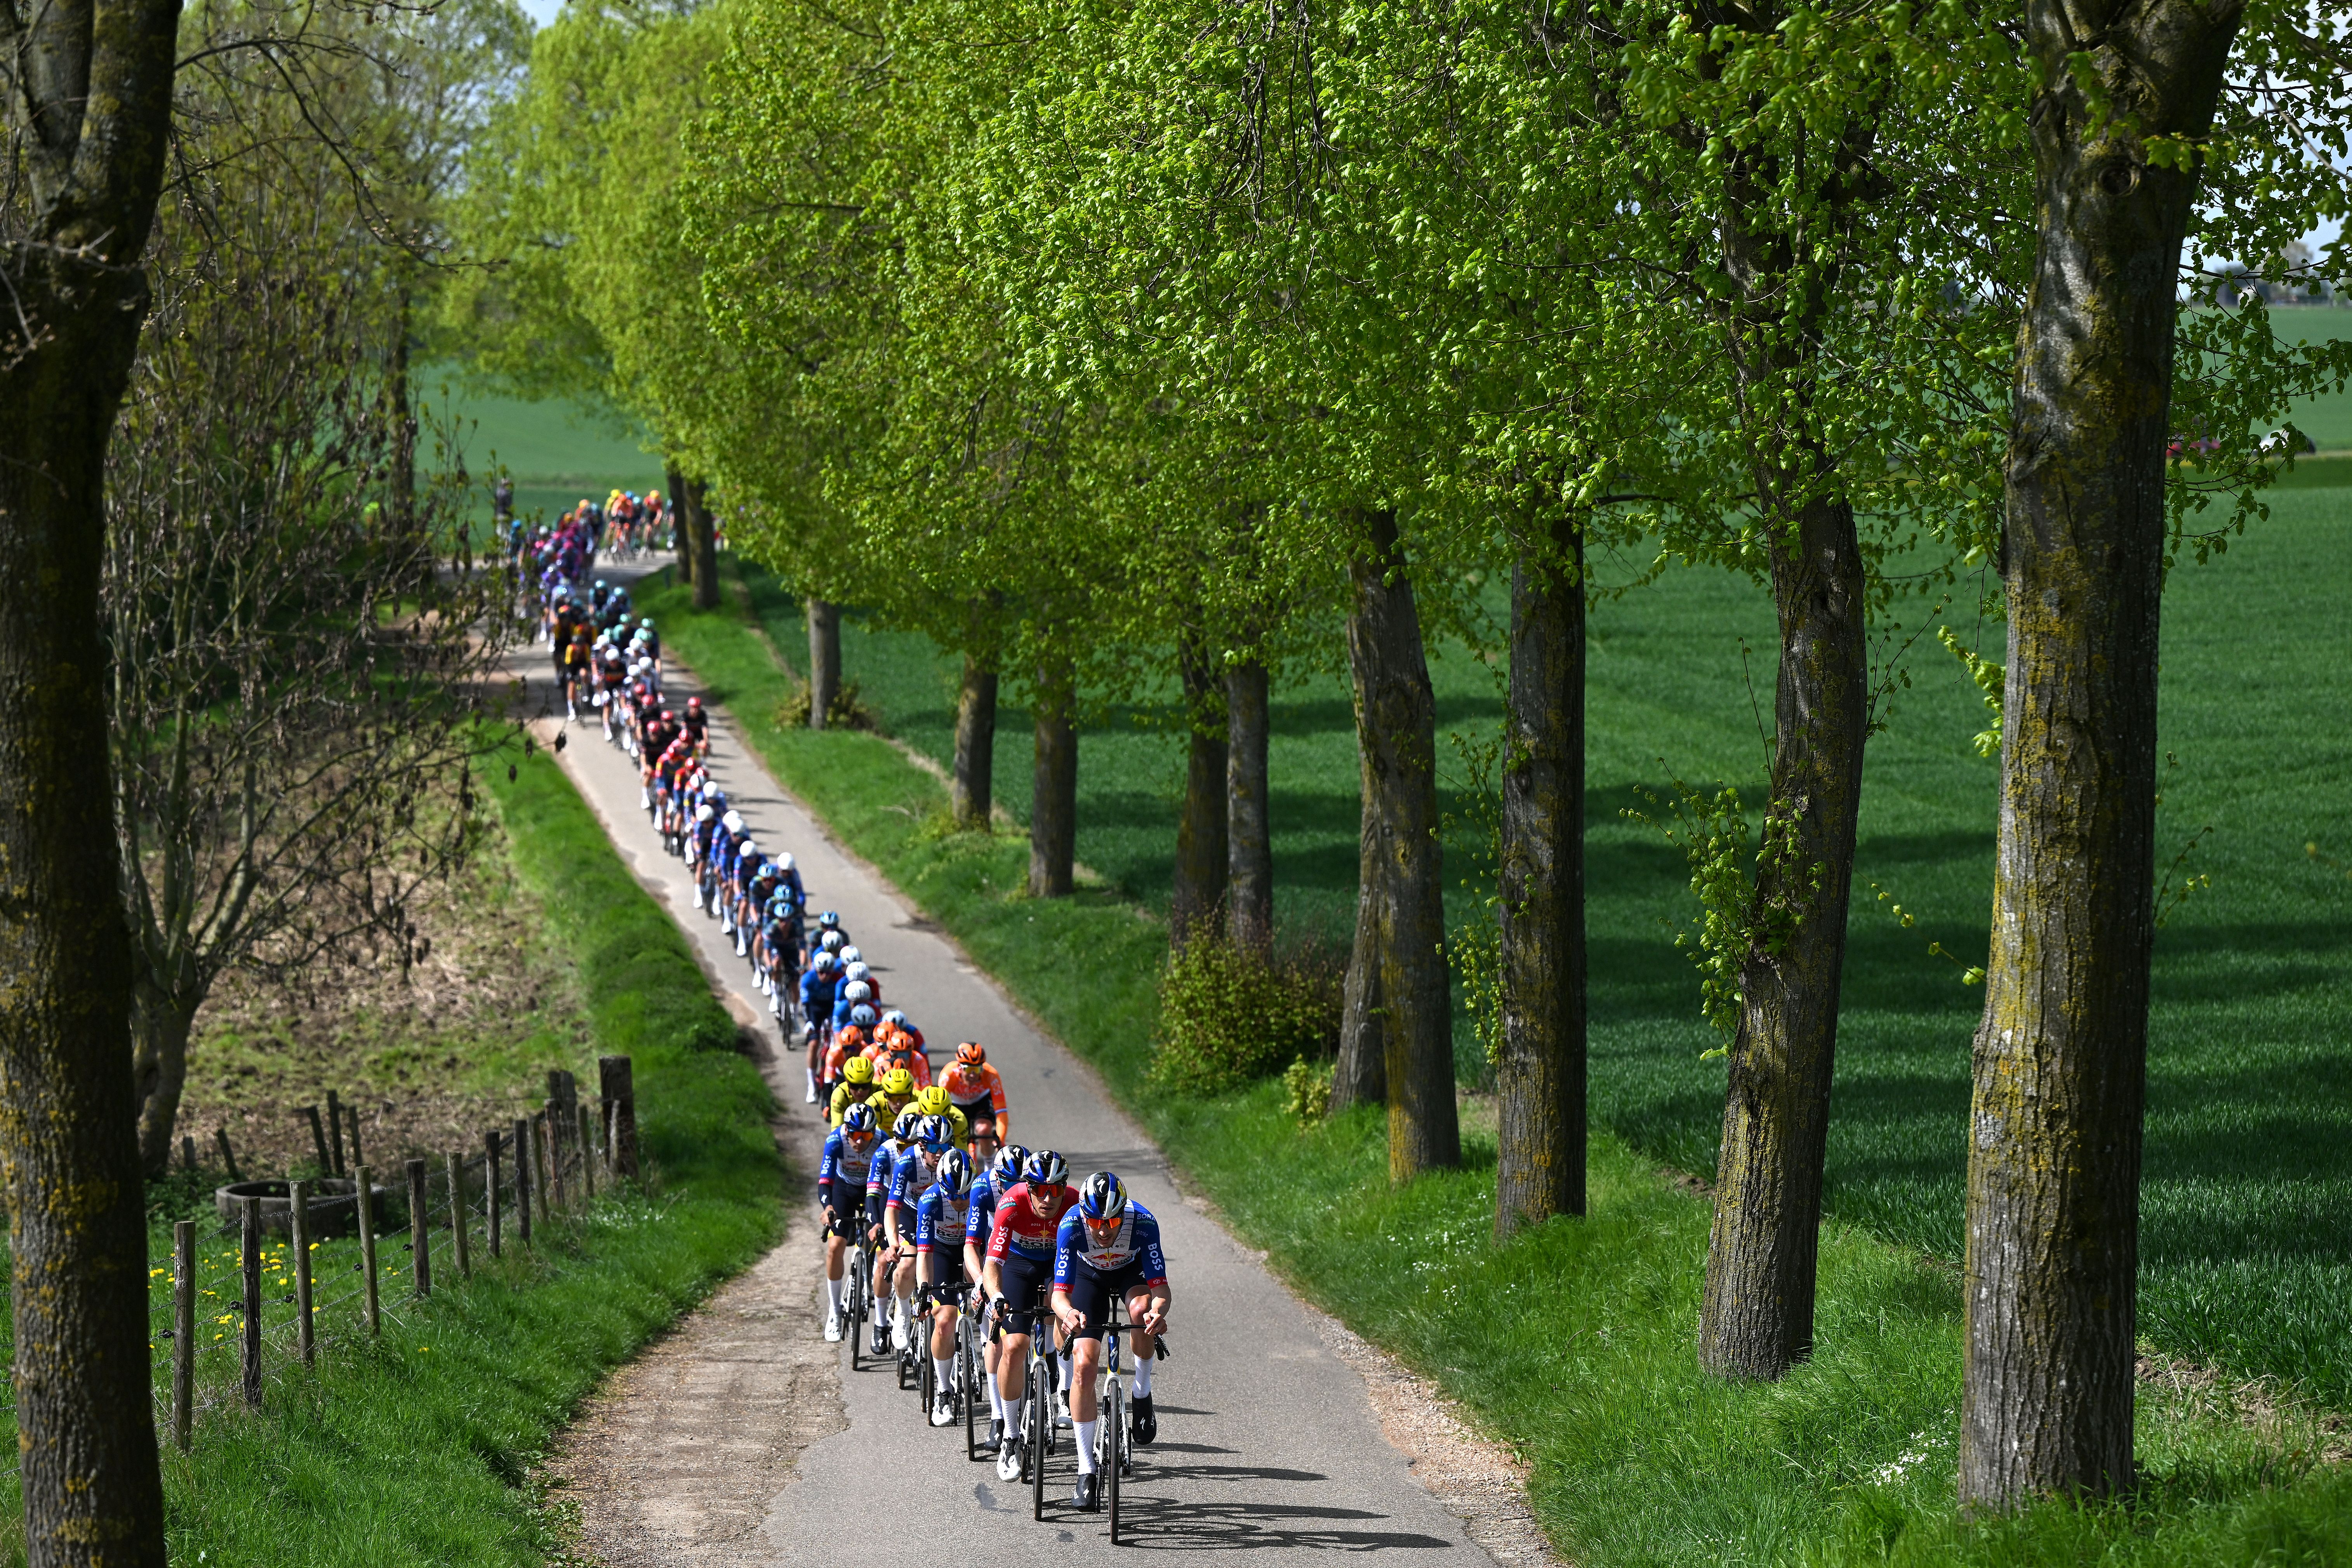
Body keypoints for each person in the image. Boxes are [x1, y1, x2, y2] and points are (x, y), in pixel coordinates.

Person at [1052, 1171, 1171, 1506]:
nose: (1103, 1231)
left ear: (1124, 1212)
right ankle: (1086, 1470)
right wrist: (1067, 1315)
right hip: (1088, 1279)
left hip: (1130, 1274)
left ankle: (1142, 1392)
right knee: (1084, 1366)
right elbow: (1059, 1295)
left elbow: (1161, 1288)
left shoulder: (1144, 1222)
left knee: (1140, 1311)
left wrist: (1157, 1312)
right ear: (1083, 1215)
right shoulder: (1071, 1225)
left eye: (1112, 1220)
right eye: (1095, 1221)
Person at [982, 1149, 1077, 1479]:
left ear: (1065, 1187)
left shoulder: (1076, 1204)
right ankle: (1010, 1435)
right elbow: (993, 1261)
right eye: (1039, 1189)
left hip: (1057, 1267)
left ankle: (1064, 1389)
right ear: (1028, 1187)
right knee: (1013, 1345)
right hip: (1019, 1267)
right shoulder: (1010, 1204)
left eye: (1055, 1189)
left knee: (1062, 1311)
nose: (1048, 1198)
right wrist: (995, 1297)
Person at [966, 1142, 1027, 1448]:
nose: (1013, 1189)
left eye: (1021, 1183)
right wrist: (979, 1282)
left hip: (1026, 1256)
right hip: (992, 1256)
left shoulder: (1037, 1192)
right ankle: (997, 1416)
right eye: (1008, 1182)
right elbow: (972, 1245)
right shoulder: (981, 1188)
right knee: (993, 1334)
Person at [914, 1147, 978, 1426]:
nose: (960, 1202)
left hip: (974, 1250)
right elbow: (924, 1253)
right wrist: (923, 1291)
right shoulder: (930, 1200)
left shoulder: (982, 1196)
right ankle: (943, 1389)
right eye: (954, 1196)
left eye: (965, 1194)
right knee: (945, 1319)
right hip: (941, 1252)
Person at [816, 1102, 882, 1341]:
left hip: (871, 1190)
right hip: (844, 1189)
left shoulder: (881, 1142)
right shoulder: (835, 1141)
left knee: (882, 1241)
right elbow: (825, 1181)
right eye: (855, 1133)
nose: (861, 1140)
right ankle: (834, 1312)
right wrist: (829, 1207)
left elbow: (888, 1181)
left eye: (867, 1134)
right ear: (846, 1130)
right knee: (835, 1247)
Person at [941, 1040, 1010, 1144]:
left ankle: (990, 1160)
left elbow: (1001, 1111)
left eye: (977, 1070)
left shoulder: (991, 1074)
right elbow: (940, 1107)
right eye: (969, 1070)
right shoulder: (948, 1075)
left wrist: (1001, 1140)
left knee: (984, 1130)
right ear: (960, 1067)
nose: (973, 1075)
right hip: (957, 1104)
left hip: (981, 1102)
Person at [826, 1053, 877, 1126]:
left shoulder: (880, 1091)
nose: (860, 1091)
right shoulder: (840, 1094)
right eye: (855, 1086)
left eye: (865, 1086)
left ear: (872, 1082)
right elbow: (837, 1128)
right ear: (847, 1082)